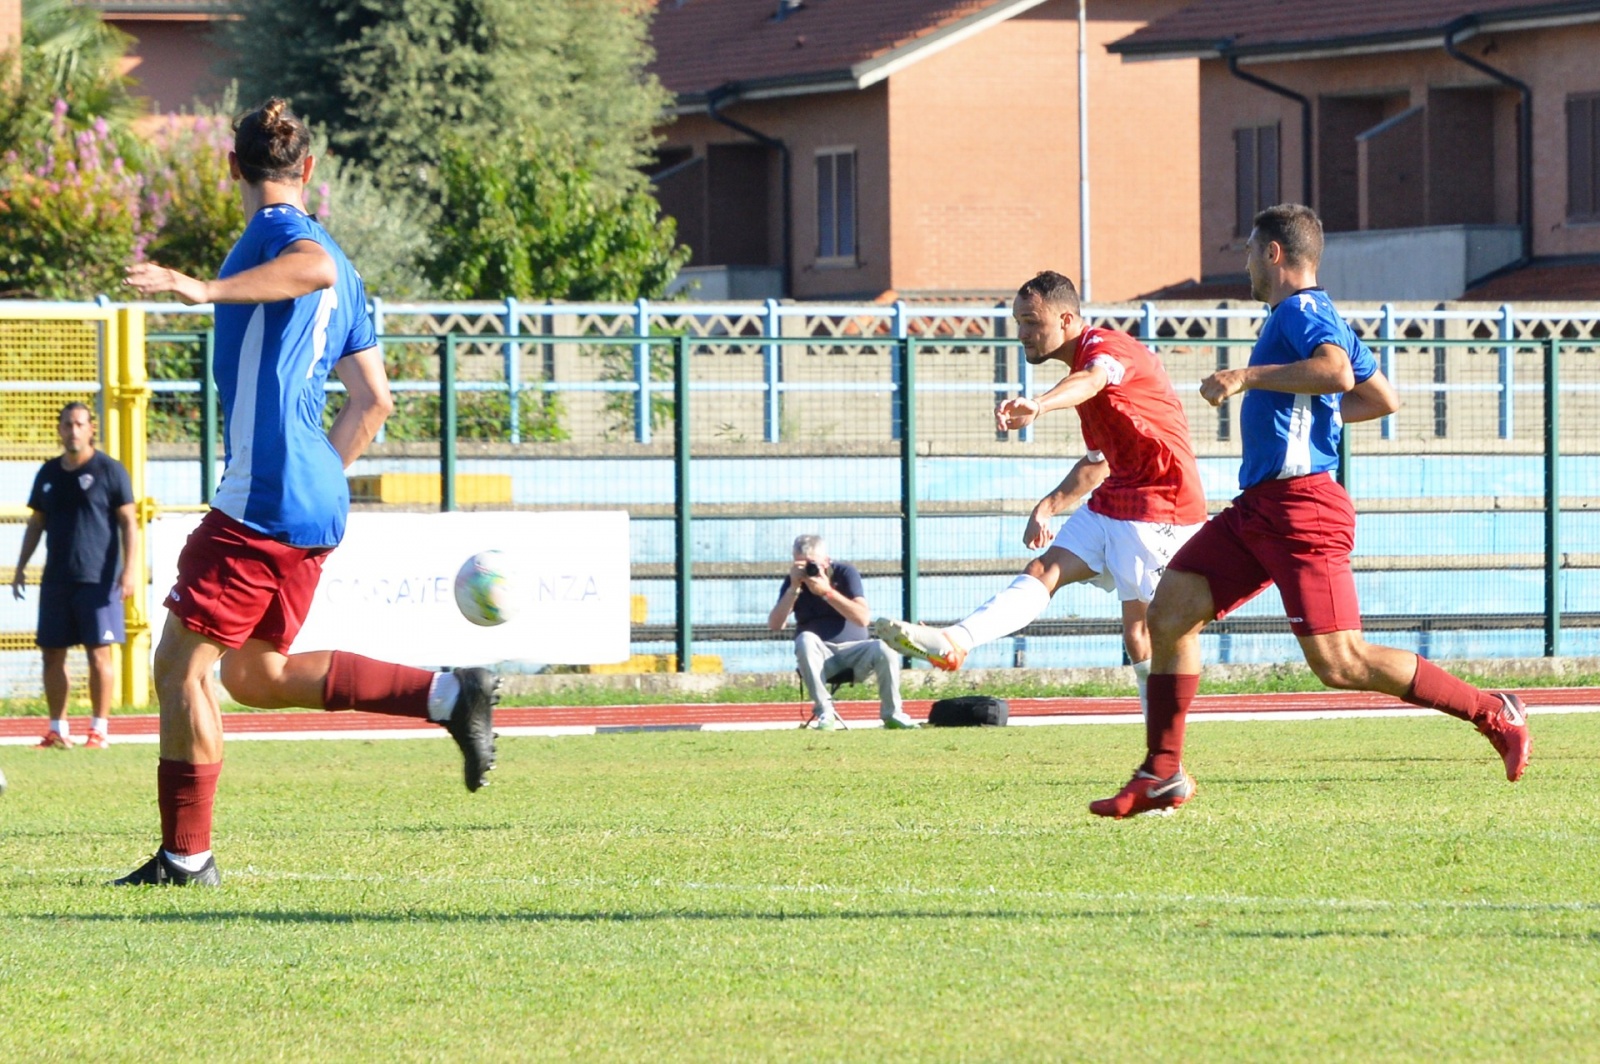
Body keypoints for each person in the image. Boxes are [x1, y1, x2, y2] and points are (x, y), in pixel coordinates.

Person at [115, 98, 498, 886]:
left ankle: (186, 858)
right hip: (312, 499)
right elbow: (375, 402)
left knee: (179, 667)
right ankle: (447, 695)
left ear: (233, 167)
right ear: (310, 168)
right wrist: (314, 474)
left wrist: (200, 287)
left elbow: (309, 265)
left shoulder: (280, 236)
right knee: (253, 674)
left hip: (263, 497)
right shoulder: (348, 270)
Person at [1088, 203, 1531, 819]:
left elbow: (1337, 372)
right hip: (1258, 509)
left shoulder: (1302, 309)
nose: (1245, 262)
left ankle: (1493, 711)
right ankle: (1162, 773)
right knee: (1169, 613)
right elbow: (1382, 398)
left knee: (1341, 663)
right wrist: (1313, 409)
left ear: (1273, 253)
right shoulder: (1303, 316)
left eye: (1250, 250)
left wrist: (1247, 376)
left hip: (1303, 508)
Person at [872, 271, 1207, 718]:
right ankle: (956, 641)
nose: (1022, 333)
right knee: (1043, 570)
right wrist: (1047, 507)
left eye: (1031, 322)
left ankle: (1164, 743)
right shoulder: (1080, 373)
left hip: (1160, 504)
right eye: (1018, 322)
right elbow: (1097, 463)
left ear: (1066, 319)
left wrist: (1040, 404)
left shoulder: (1107, 350)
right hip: (1117, 497)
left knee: (1141, 633)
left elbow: (1093, 379)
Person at [11, 402, 139, 749]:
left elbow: (129, 522)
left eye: (80, 424)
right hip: (56, 579)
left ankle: (99, 729)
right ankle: (57, 729)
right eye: (67, 424)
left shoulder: (110, 470)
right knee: (52, 654)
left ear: (91, 428)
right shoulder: (49, 473)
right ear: (60, 429)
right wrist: (21, 567)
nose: (73, 430)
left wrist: (129, 570)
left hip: (99, 580)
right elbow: (37, 522)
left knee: (99, 654)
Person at [769, 534, 918, 730]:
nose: (807, 569)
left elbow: (863, 618)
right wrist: (793, 589)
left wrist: (827, 592)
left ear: (826, 561)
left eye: (812, 564)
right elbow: (775, 625)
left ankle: (893, 715)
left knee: (884, 647)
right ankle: (825, 712)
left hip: (856, 653)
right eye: (800, 564)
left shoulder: (845, 573)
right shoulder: (793, 582)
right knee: (805, 639)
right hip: (820, 656)